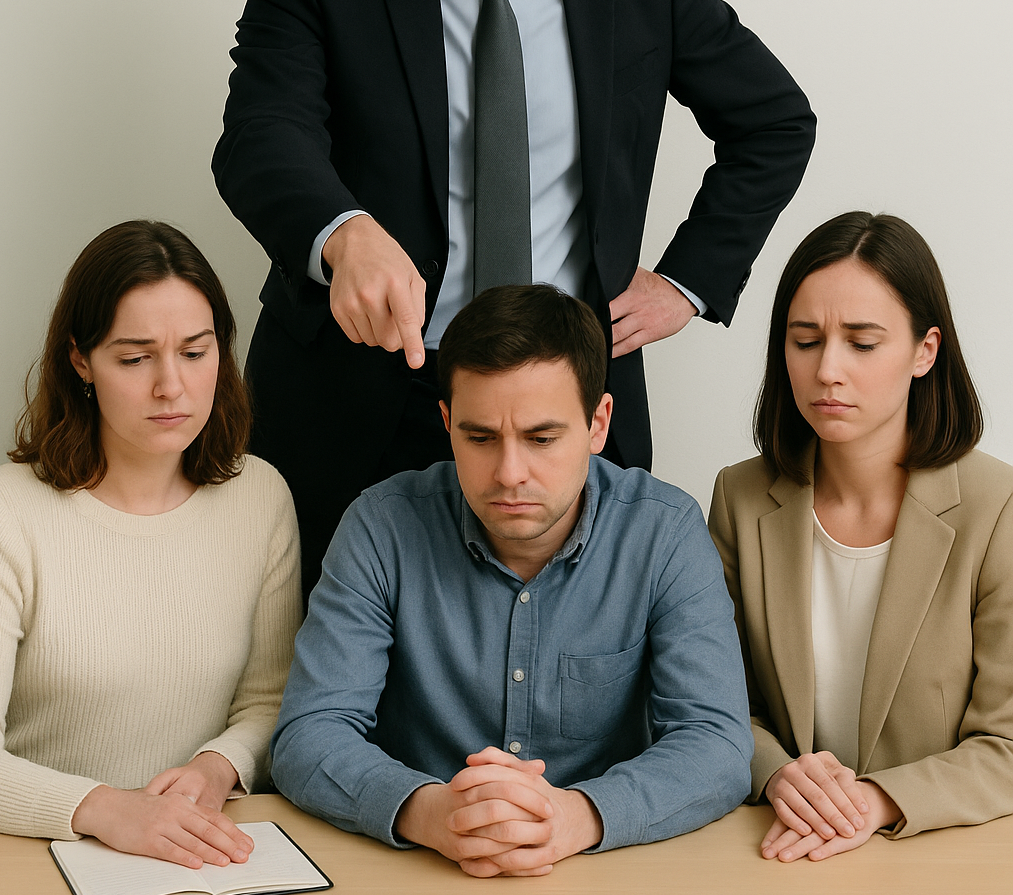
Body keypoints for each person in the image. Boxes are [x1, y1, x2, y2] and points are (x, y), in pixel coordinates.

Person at [211, 0, 817, 596]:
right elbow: (261, 137)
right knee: (338, 662)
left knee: (579, 660)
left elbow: (772, 118)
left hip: (565, 407)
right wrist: (343, 233)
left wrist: (687, 280)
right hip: (363, 397)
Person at [271, 283, 752, 877]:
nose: (509, 473)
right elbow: (310, 733)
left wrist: (577, 816)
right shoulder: (381, 526)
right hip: (424, 869)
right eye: (479, 438)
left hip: (603, 870)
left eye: (541, 438)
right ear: (446, 422)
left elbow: (717, 742)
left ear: (598, 423)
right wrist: (429, 812)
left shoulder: (666, 532)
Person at [708, 211, 1013, 863]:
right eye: (805, 340)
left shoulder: (998, 507)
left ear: (925, 351)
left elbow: (1007, 744)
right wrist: (775, 773)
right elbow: (716, 705)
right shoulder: (738, 497)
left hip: (937, 857)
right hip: (775, 851)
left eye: (862, 342)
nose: (827, 370)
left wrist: (874, 801)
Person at [0, 221, 302, 868]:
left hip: (205, 849)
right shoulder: (11, 512)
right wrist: (105, 808)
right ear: (80, 360)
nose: (171, 386)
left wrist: (218, 766)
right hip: (35, 854)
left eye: (195, 352)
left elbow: (270, 700)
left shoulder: (260, 496)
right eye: (135, 359)